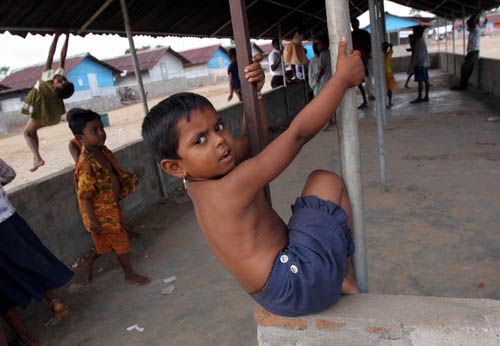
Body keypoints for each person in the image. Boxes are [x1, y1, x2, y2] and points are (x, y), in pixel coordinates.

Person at [142, 38, 364, 317]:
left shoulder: (198, 182)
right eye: (200, 140)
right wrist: (341, 80)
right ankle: (341, 273)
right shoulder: (232, 187)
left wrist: (255, 93)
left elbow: (251, 140)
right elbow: (297, 135)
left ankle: (334, 274)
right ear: (174, 167)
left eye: (218, 127)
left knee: (318, 191)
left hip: (272, 295)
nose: (219, 141)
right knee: (325, 180)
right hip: (296, 282)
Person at [67, 109, 150, 285]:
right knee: (121, 242)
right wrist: (93, 220)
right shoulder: (86, 164)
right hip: (100, 212)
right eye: (94, 131)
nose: (101, 133)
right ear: (81, 138)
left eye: (101, 128)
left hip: (111, 205)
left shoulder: (103, 151)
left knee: (107, 242)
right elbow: (85, 196)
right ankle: (129, 274)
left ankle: (88, 260)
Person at [0, 159, 72, 346]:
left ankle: (25, 336)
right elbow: (9, 174)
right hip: (10, 220)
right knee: (30, 260)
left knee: (2, 283)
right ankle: (53, 299)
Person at [21, 33, 75, 172]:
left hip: (42, 114)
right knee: (33, 132)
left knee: (27, 133)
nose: (61, 79)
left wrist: (57, 36)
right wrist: (67, 36)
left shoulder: (47, 78)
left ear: (54, 87)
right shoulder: (59, 79)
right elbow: (63, 56)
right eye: (64, 80)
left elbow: (51, 55)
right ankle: (36, 158)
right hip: (52, 116)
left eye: (60, 82)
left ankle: (37, 157)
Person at [451, 15, 480, 91]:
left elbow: (471, 21)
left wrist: (477, 13)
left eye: (469, 26)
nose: (468, 28)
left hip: (473, 52)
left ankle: (462, 85)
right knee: (467, 69)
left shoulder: (476, 29)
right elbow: (471, 22)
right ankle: (463, 84)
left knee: (465, 68)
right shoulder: (473, 30)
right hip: (471, 52)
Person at [351, 18, 372, 109]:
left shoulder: (364, 33)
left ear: (358, 24)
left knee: (365, 79)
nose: (354, 26)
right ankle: (365, 99)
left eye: (355, 24)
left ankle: (367, 98)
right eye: (353, 24)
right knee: (359, 82)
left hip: (363, 59)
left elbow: (369, 45)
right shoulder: (351, 34)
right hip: (356, 60)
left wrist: (367, 56)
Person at [410, 26, 430, 104]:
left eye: (414, 32)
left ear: (418, 33)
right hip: (422, 64)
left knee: (421, 81)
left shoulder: (420, 42)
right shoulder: (419, 41)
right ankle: (425, 97)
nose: (413, 34)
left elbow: (421, 55)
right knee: (424, 80)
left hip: (421, 64)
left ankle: (420, 97)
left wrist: (420, 64)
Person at [383, 42, 396, 109]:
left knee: (388, 89)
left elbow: (391, 47)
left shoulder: (386, 54)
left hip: (387, 73)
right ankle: (389, 102)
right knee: (388, 89)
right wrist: (389, 46)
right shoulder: (387, 54)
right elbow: (391, 47)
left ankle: (389, 102)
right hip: (388, 72)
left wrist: (389, 46)